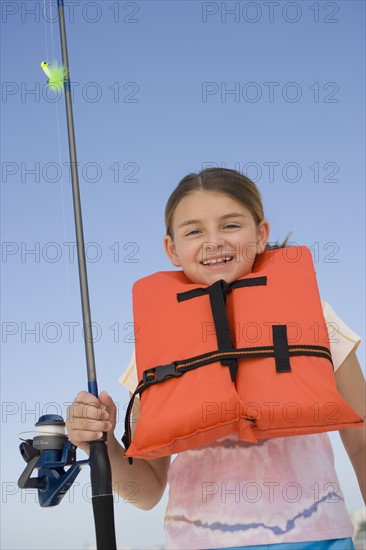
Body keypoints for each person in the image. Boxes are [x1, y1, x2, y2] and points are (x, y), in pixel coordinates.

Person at [66, 168, 365, 550]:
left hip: (317, 538)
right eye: (193, 231)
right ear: (172, 248)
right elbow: (148, 490)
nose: (213, 242)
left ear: (260, 235)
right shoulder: (154, 349)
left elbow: (361, 442)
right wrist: (102, 443)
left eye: (230, 225)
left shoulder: (315, 317)